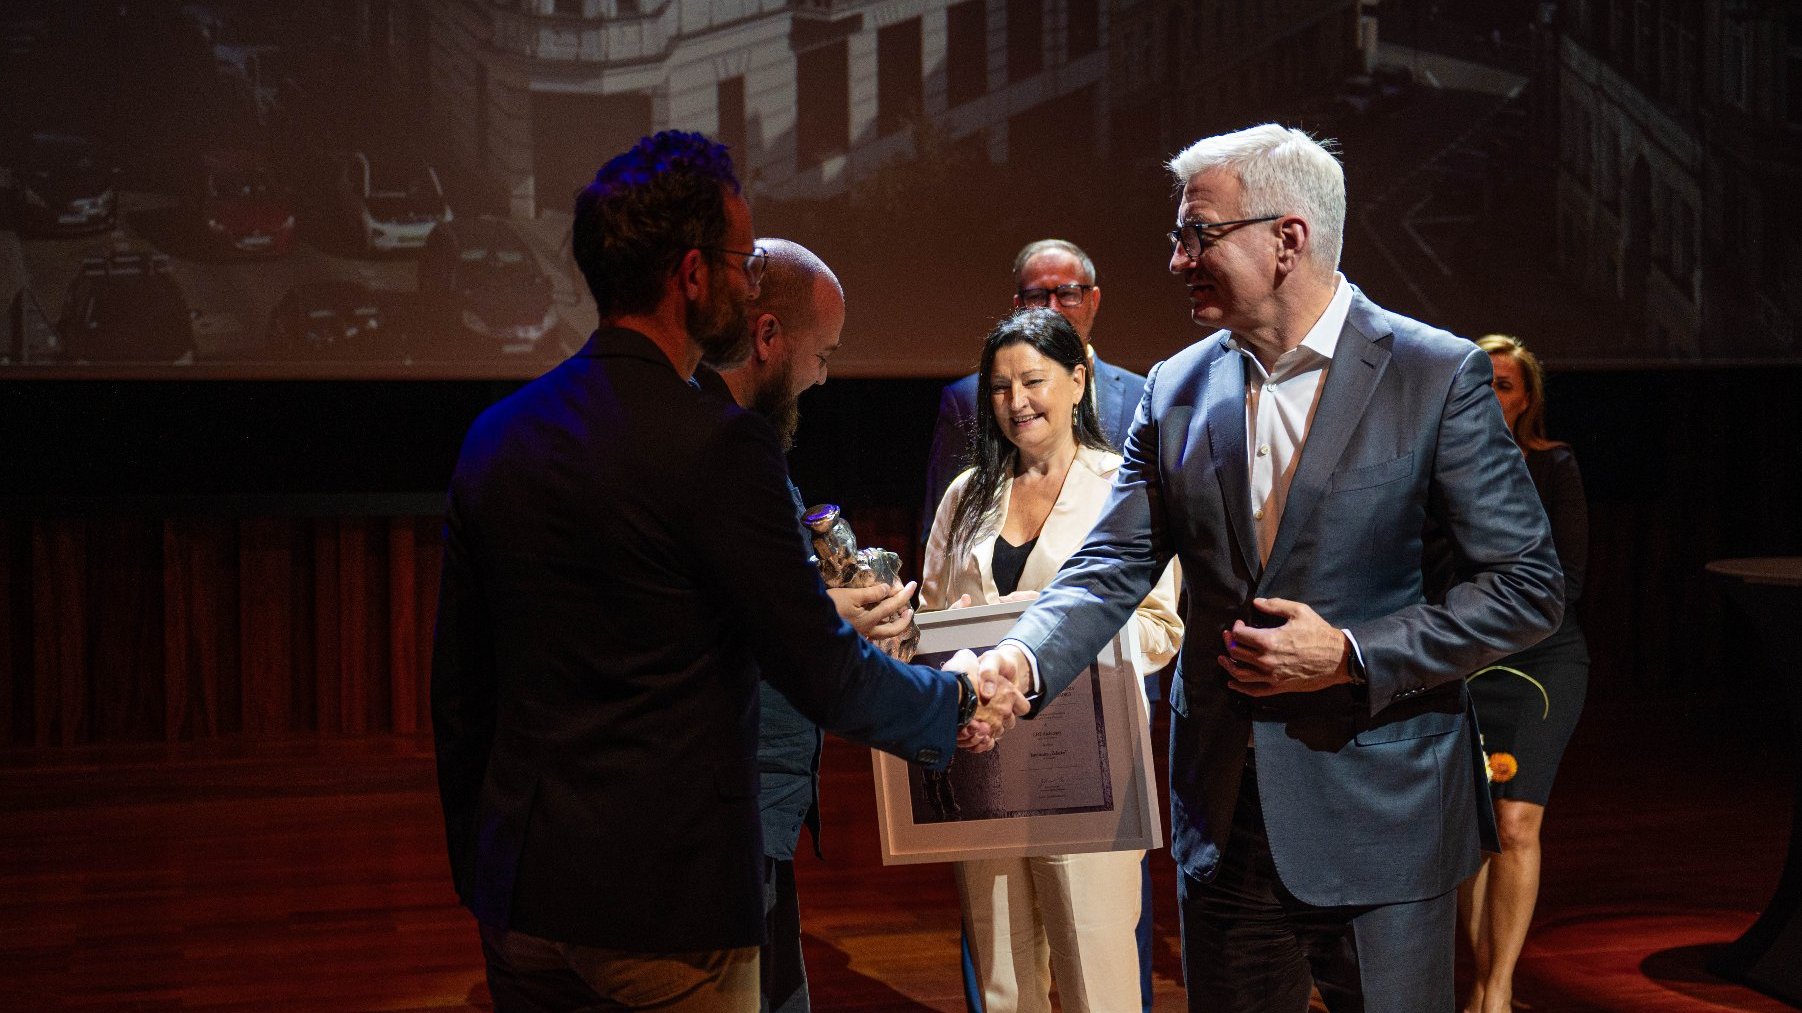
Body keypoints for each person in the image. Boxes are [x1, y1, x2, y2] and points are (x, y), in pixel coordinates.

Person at [969, 123, 1566, 1011]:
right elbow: (1109, 566)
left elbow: (1528, 586)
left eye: (1196, 235)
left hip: (1383, 820)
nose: (1176, 260)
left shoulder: (1434, 375)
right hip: (1225, 819)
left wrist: (1354, 654)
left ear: (1288, 239)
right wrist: (1018, 661)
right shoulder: (1176, 386)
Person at [430, 130, 1026, 1013]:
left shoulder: (498, 434)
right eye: (744, 260)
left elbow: (462, 692)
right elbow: (818, 666)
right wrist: (958, 706)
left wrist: (484, 870)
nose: (753, 283)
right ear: (693, 275)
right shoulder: (719, 448)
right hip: (662, 909)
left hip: (520, 898)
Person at [921, 239, 1161, 1013]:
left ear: (1078, 381)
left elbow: (1159, 624)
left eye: (1033, 381)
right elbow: (930, 612)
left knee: (1098, 977)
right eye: (999, 387)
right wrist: (950, 636)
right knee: (1001, 977)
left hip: (1089, 758)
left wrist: (1051, 650)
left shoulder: (1124, 486)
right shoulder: (966, 493)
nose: (1016, 401)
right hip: (985, 760)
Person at [711, 238, 918, 1013]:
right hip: (726, 808)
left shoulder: (749, 454)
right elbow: (698, 612)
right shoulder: (718, 452)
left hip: (759, 802)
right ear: (768, 337)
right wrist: (822, 614)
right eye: (822, 356)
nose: (824, 378)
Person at [1456, 334, 1589, 1013]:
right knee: (1476, 826)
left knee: (1516, 822)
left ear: (1526, 399)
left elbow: (1567, 580)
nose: (1492, 391)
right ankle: (1477, 981)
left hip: (1540, 658)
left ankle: (1497, 988)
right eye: (1482, 380)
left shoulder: (1554, 465)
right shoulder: (1442, 467)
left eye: (1505, 383)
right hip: (1465, 658)